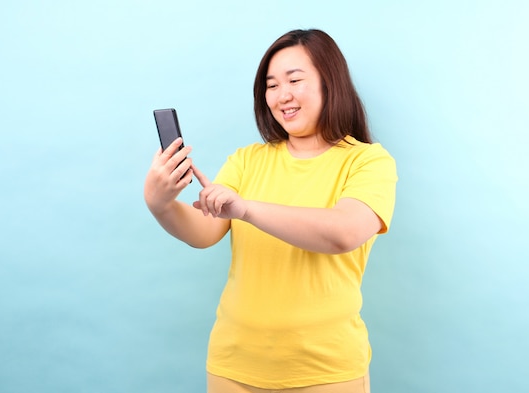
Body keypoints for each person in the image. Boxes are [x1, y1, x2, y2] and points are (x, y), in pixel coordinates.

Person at [144, 29, 398, 393]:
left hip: (326, 372)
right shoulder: (247, 160)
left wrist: (246, 209)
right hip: (234, 366)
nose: (283, 95)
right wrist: (160, 204)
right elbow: (205, 231)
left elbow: (344, 232)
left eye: (295, 80)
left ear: (331, 83)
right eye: (272, 85)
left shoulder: (369, 161)